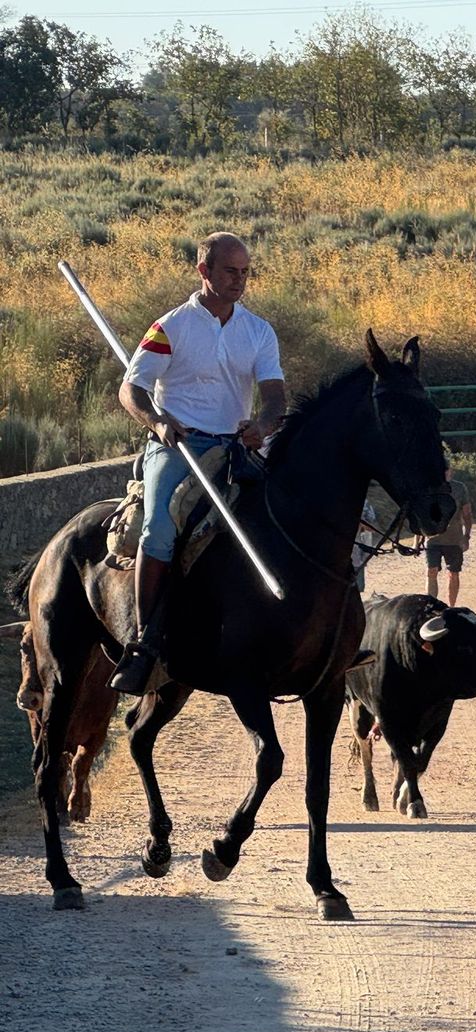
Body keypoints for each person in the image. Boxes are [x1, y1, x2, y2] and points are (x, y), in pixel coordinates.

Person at [108, 231, 286, 694]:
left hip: (236, 446)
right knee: (160, 529)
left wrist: (262, 426)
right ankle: (145, 642)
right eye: (231, 271)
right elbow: (132, 388)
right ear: (204, 271)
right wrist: (157, 420)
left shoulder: (259, 330)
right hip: (179, 444)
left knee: (289, 513)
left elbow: (274, 399)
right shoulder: (171, 327)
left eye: (246, 272)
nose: (240, 281)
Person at [424, 461, 472, 605]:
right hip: (433, 538)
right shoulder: (429, 488)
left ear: (451, 471)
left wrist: (466, 536)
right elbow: (422, 515)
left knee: (453, 574)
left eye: (446, 470)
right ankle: (432, 605)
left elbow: (467, 514)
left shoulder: (459, 488)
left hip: (454, 539)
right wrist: (418, 538)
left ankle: (451, 607)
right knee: (431, 571)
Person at [352, 497, 381, 593]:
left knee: (359, 587)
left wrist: (362, 523)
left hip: (359, 552)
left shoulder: (365, 504)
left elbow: (373, 527)